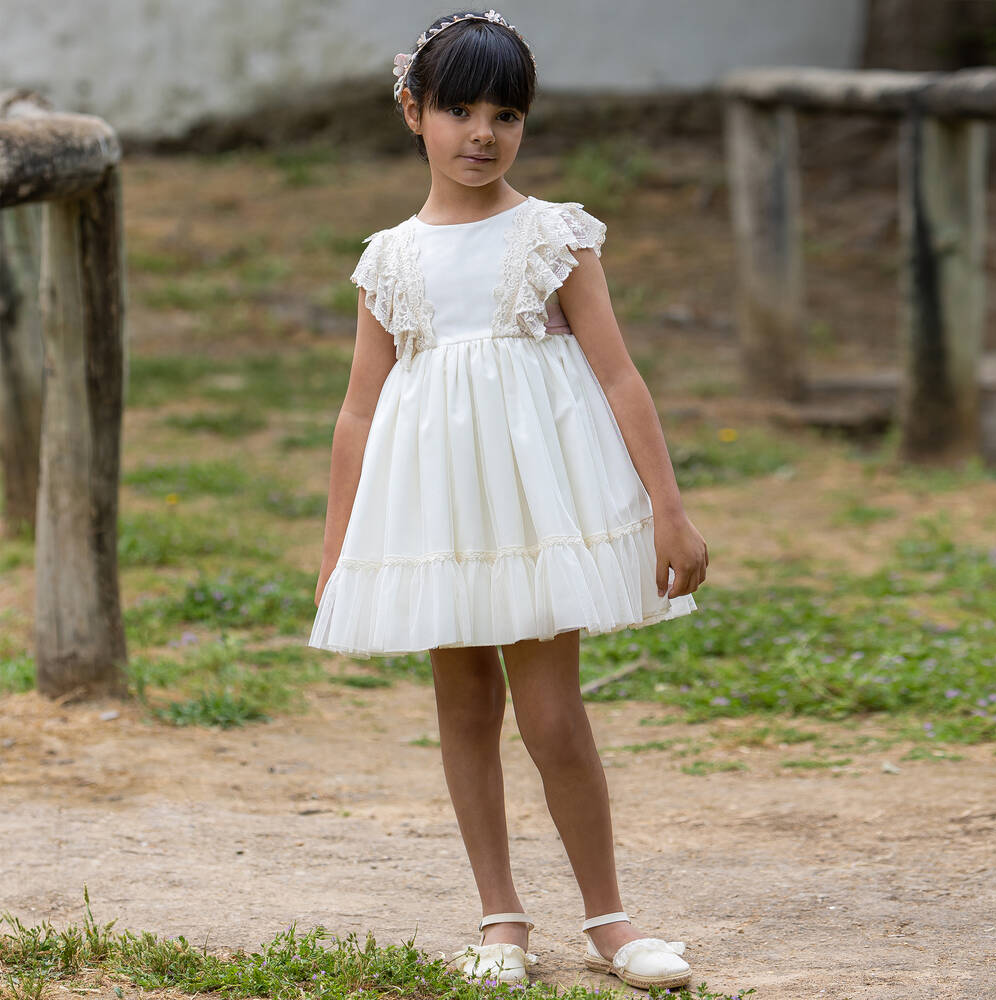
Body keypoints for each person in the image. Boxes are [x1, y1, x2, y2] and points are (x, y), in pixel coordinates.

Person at [308, 8, 709, 991]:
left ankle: (611, 922)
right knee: (463, 706)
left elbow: (617, 377)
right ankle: (501, 920)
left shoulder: (553, 238)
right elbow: (357, 414)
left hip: (535, 509)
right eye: (458, 110)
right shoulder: (389, 259)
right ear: (413, 111)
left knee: (552, 713)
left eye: (505, 114)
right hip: (440, 512)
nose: (481, 133)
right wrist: (338, 549)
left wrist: (667, 504)